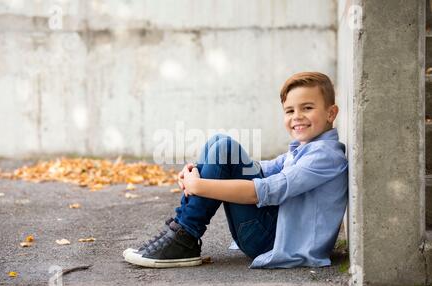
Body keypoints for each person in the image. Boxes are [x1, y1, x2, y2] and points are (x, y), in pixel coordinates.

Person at [123, 72, 348, 269]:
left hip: (279, 243)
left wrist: (199, 185)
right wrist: (198, 169)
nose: (297, 116)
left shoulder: (324, 156)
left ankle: (184, 236)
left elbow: (262, 191)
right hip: (273, 234)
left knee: (224, 148)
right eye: (290, 110)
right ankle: (183, 231)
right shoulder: (305, 149)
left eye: (307, 108)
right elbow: (260, 168)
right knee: (219, 144)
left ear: (331, 113)